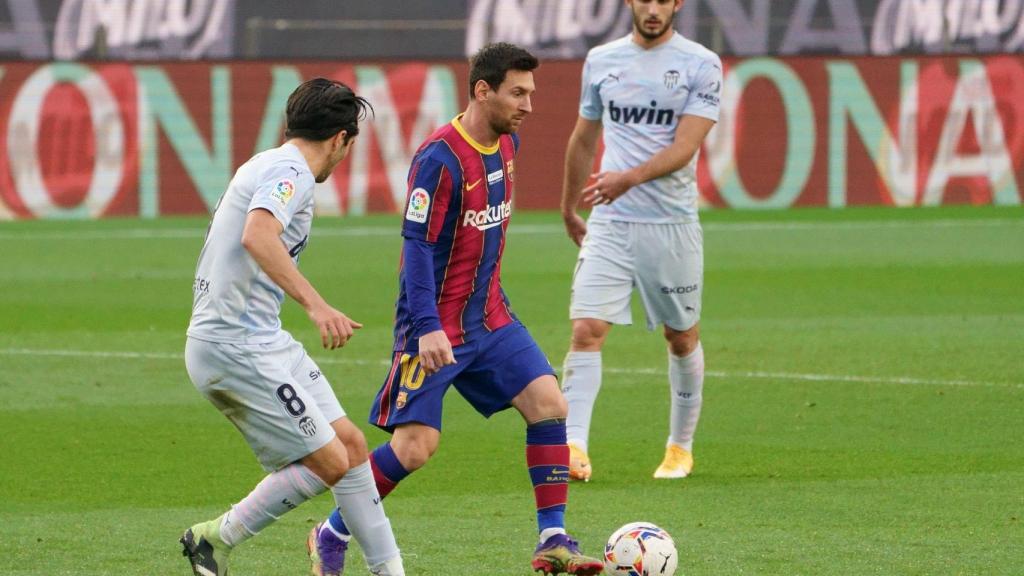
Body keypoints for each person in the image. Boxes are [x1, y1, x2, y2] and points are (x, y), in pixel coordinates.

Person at [306, 43, 605, 576]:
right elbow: (416, 248)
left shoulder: (508, 142)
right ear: (481, 90)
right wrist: (426, 327)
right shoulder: (438, 159)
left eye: (531, 93)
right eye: (518, 92)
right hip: (434, 328)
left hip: (490, 317)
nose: (528, 105)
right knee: (416, 449)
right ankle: (331, 531)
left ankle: (553, 537)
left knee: (549, 403)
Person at [181, 78, 405, 576]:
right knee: (328, 461)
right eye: (351, 145)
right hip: (234, 345)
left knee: (349, 447)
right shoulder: (292, 172)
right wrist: (317, 305)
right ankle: (215, 539)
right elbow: (258, 234)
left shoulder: (267, 161)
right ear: (340, 139)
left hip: (261, 336)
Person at [559, 0, 722, 482]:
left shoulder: (700, 63)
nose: (652, 9)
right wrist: (570, 205)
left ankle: (680, 447)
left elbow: (686, 146)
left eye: (662, 0)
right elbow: (584, 136)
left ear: (677, 5)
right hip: (611, 221)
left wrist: (627, 178)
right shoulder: (602, 60)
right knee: (587, 329)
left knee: (681, 336)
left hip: (670, 224)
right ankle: (573, 446)